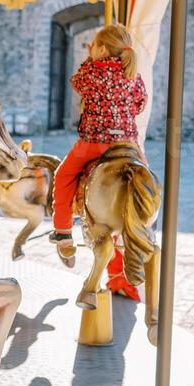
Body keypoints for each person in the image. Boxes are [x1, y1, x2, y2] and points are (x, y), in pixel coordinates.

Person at [50, 24, 147, 264]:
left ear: (102, 49)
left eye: (92, 45)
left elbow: (76, 84)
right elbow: (140, 105)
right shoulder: (133, 75)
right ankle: (144, 224)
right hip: (127, 145)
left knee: (63, 175)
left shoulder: (91, 71)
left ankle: (62, 230)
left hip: (95, 142)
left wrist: (90, 60)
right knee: (145, 178)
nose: (90, 48)